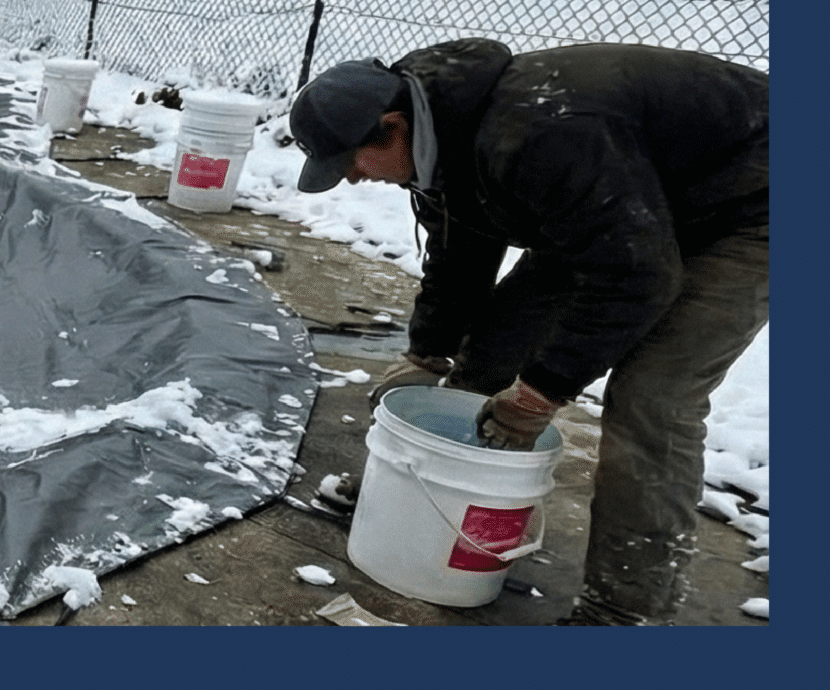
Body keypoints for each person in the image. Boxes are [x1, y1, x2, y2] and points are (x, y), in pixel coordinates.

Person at [289, 39, 767, 626]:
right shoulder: (437, 135)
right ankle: (420, 492)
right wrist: (427, 353)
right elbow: (459, 253)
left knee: (653, 399)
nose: (353, 181)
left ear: (390, 129)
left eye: (351, 163)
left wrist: (542, 391)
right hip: (628, 201)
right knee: (496, 338)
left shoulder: (538, 136)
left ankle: (624, 611)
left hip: (754, 204)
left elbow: (639, 276)